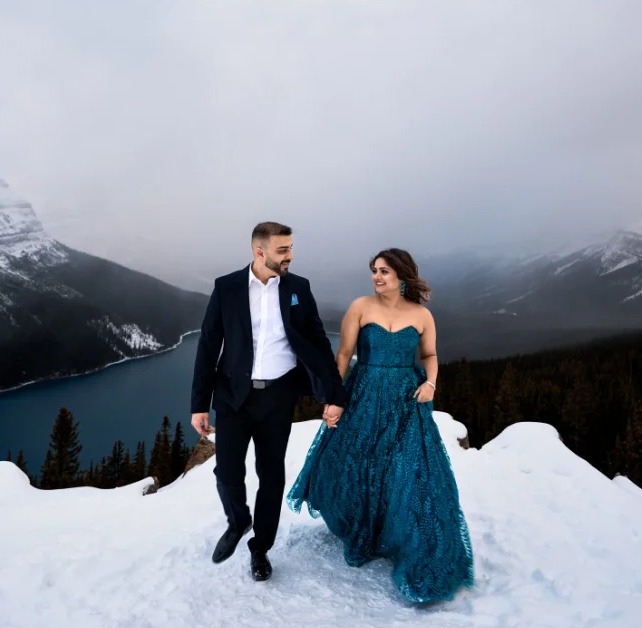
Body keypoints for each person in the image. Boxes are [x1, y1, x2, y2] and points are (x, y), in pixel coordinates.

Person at [287, 248, 474, 603]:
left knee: (410, 472)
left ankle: (412, 544)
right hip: (364, 394)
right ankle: (362, 528)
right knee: (353, 463)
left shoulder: (422, 315)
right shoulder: (360, 306)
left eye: (384, 271)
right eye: (374, 270)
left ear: (402, 276)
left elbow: (430, 355)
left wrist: (430, 383)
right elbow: (342, 355)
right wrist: (333, 399)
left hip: (407, 398)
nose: (377, 277)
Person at [190, 222, 346, 582]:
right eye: (282, 250)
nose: (290, 256)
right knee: (227, 473)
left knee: (271, 475)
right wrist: (200, 403)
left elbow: (319, 342)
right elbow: (208, 346)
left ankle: (260, 549)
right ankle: (238, 520)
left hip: (278, 397)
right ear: (259, 253)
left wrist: (334, 394)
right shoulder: (226, 287)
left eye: (291, 248)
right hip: (233, 398)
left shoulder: (298, 288)